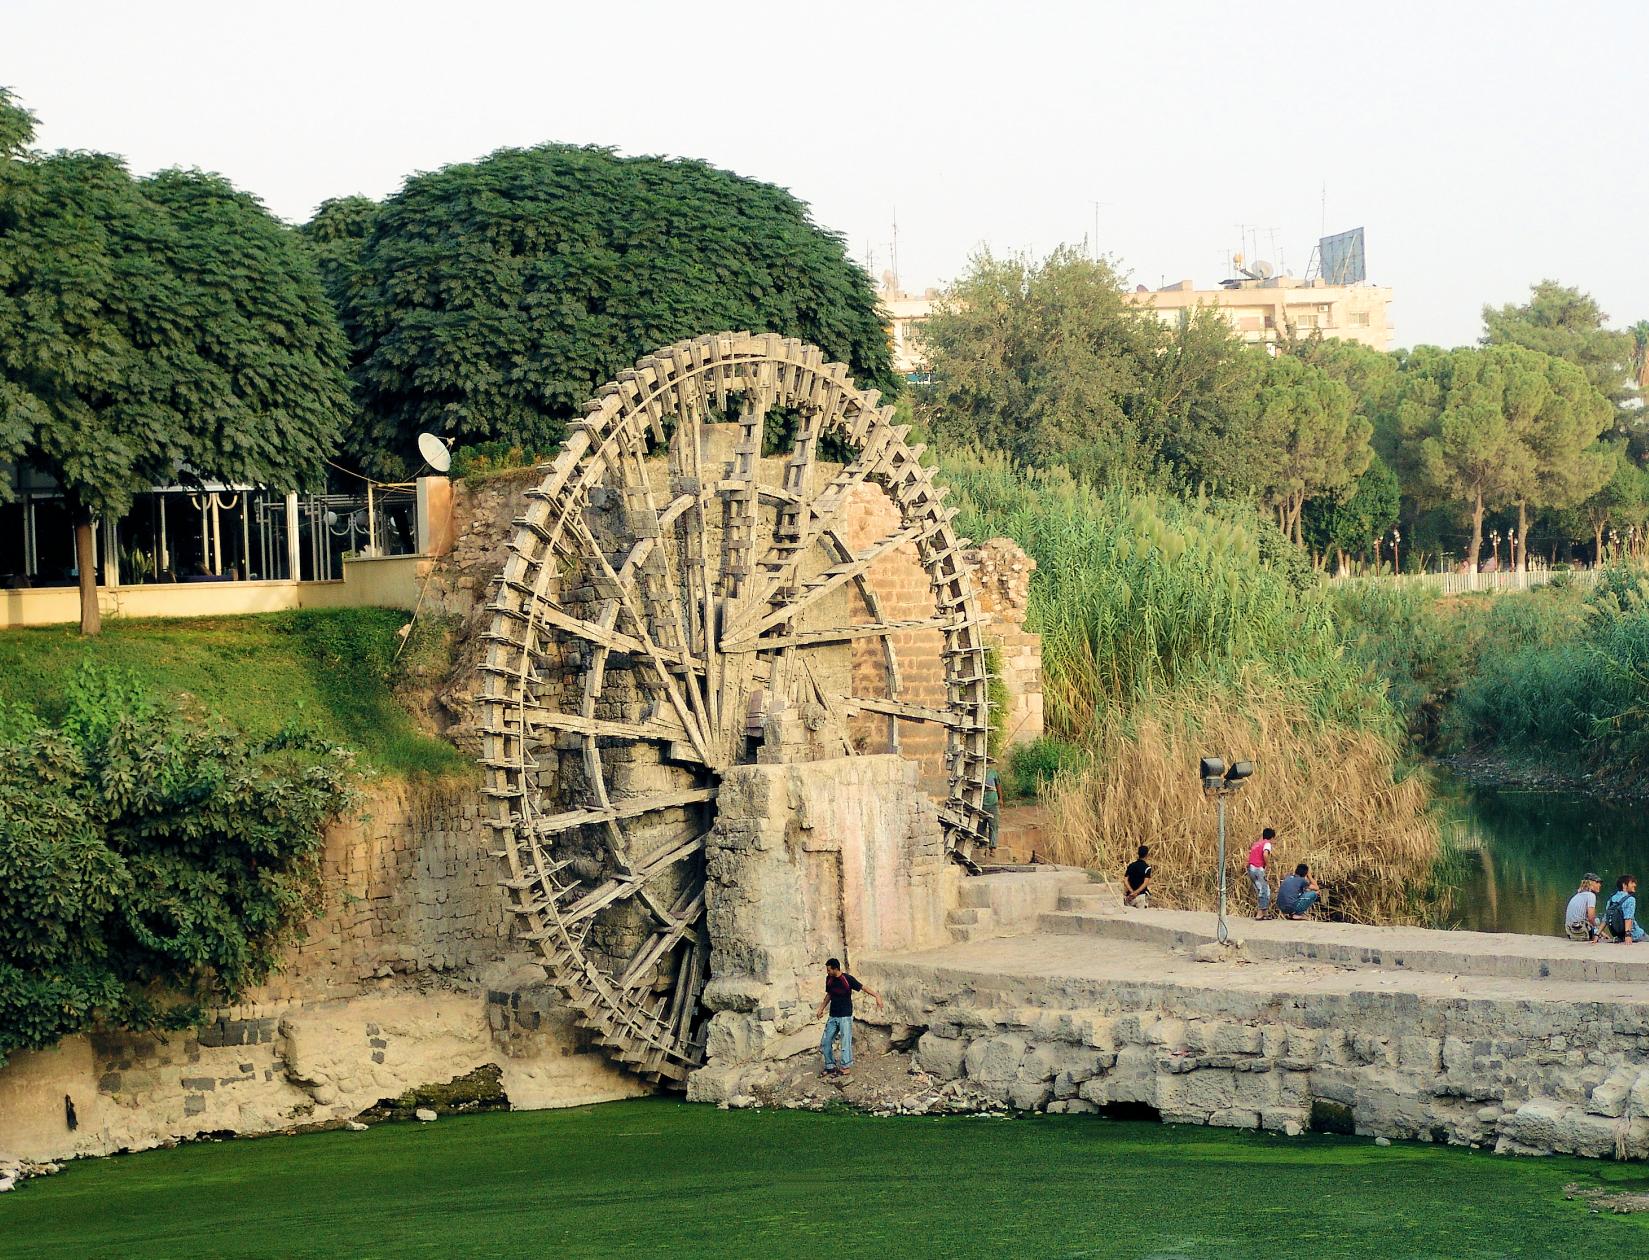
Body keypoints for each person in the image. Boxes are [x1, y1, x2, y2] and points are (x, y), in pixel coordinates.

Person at [815, 957, 882, 1078]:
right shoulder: (829, 979)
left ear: (835, 969)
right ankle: (830, 1066)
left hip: (845, 1016)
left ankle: (845, 1067)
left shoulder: (847, 979)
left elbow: (863, 987)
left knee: (845, 1042)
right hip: (833, 1016)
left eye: (829, 970)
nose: (827, 972)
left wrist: (876, 996)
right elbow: (829, 995)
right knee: (826, 1041)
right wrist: (821, 1009)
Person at [1603, 875, 1645, 943]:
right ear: (1624, 885)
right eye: (1632, 883)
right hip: (1635, 935)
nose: (1635, 885)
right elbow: (1628, 918)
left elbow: (1605, 919)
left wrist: (1597, 934)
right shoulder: (1630, 899)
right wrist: (1628, 935)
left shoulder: (1611, 900)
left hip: (1619, 936)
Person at [1564, 872, 1603, 942]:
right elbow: (1591, 918)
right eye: (1597, 882)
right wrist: (1599, 932)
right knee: (1597, 920)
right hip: (1580, 932)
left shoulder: (1577, 894)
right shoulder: (1591, 895)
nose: (1600, 884)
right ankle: (1597, 935)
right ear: (1591, 883)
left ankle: (1598, 934)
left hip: (1570, 932)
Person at [1247, 828, 1276, 918]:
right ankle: (1260, 913)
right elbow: (1265, 854)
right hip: (1258, 868)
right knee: (1265, 890)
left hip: (1251, 868)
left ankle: (1265, 913)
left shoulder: (1256, 844)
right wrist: (1267, 864)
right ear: (1272, 838)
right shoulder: (1267, 844)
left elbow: (1249, 855)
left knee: (1259, 889)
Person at [982, 767, 1001, 849]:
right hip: (981, 804)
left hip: (993, 803)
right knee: (981, 825)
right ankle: (982, 844)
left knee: (993, 825)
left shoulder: (993, 772)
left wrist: (1000, 798)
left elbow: (998, 786)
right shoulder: (978, 772)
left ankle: (992, 847)